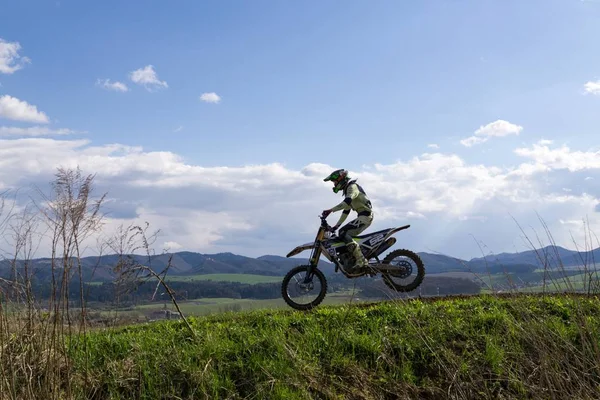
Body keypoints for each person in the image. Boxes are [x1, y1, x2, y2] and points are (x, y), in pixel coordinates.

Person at [322, 169, 373, 272]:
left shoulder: (352, 187)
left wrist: (331, 210)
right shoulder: (348, 190)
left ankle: (361, 259)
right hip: (363, 216)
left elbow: (347, 202)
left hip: (365, 216)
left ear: (341, 179)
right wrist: (336, 226)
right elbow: (346, 211)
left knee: (343, 232)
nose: (334, 184)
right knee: (342, 232)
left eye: (334, 181)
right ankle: (352, 257)